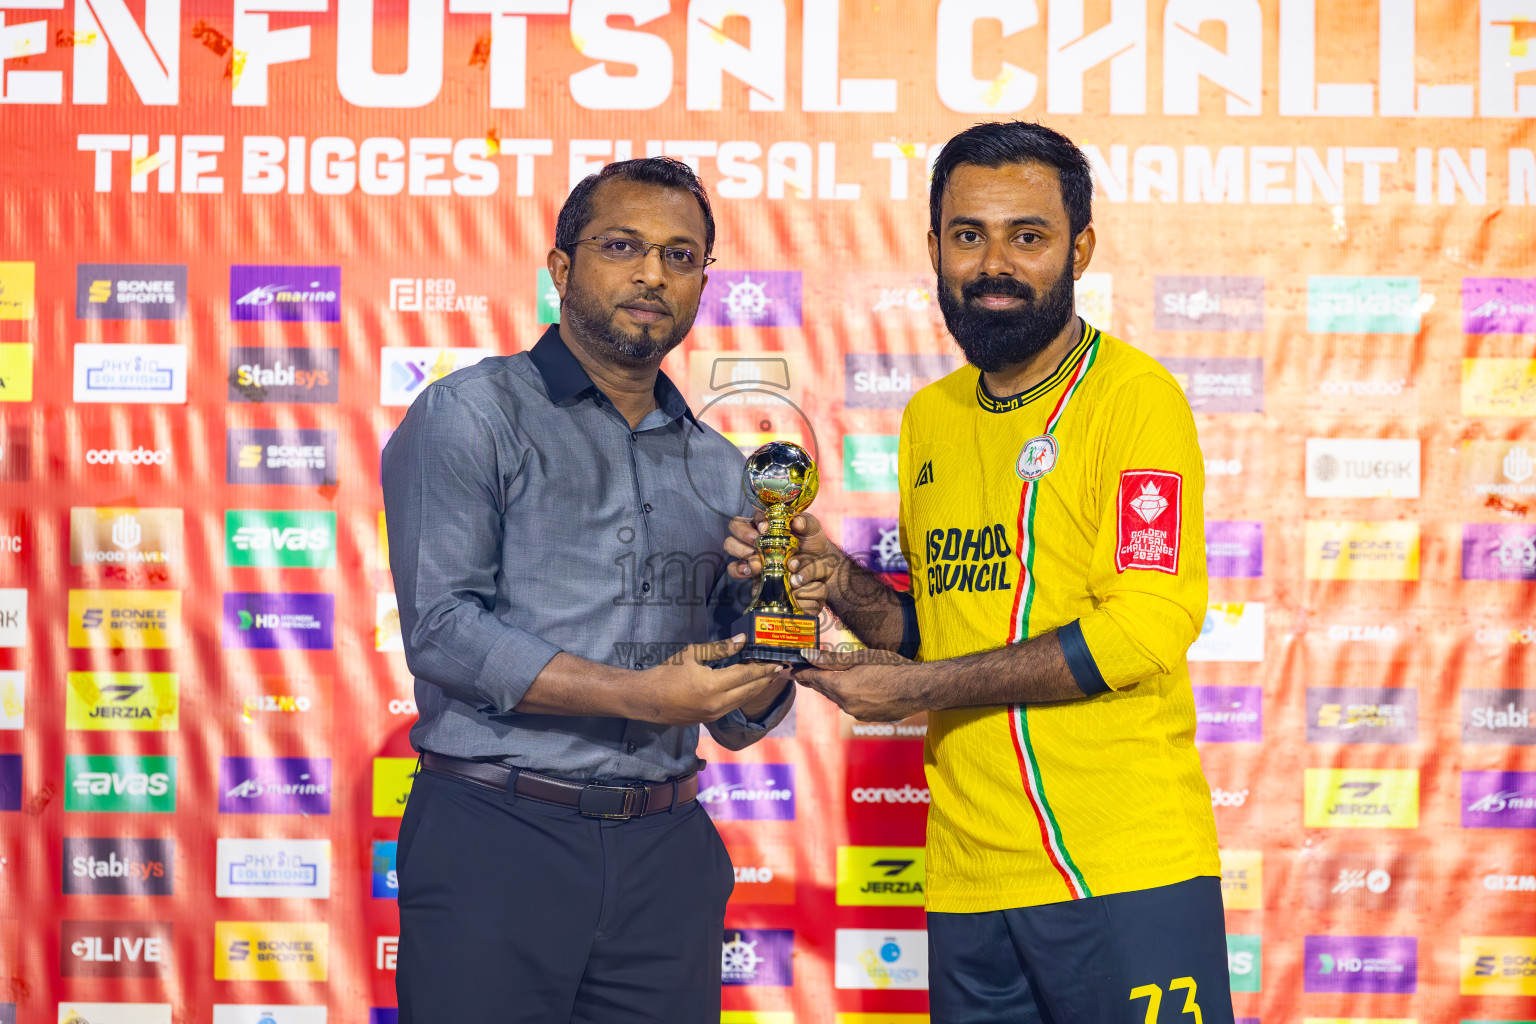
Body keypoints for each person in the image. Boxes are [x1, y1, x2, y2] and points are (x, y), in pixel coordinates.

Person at [726, 122, 1234, 1024]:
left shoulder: (1133, 398)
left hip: (1118, 871)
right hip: (965, 879)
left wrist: (919, 688)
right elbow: (938, 629)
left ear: (1078, 247)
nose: (994, 262)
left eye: (1026, 236)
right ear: (934, 249)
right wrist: (834, 578)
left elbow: (1143, 628)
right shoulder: (930, 416)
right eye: (969, 235)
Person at [383, 156, 803, 1024]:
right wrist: (643, 696)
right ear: (562, 268)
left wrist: (777, 637)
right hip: (497, 836)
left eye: (681, 257)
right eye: (624, 246)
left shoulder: (726, 469)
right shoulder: (472, 414)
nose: (653, 273)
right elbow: (443, 628)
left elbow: (732, 715)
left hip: (667, 852)